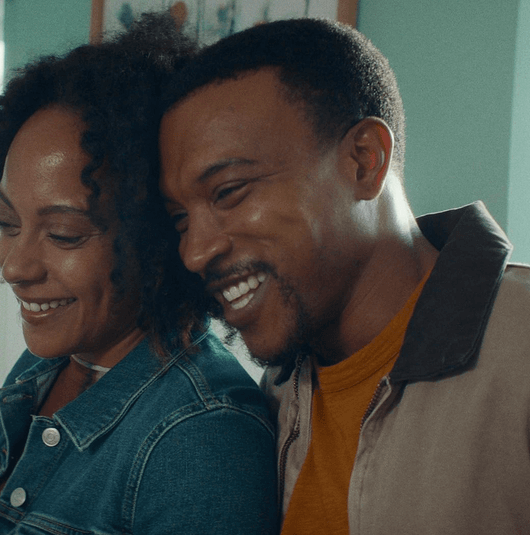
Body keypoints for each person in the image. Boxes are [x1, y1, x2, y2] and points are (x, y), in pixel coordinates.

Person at [158, 17, 530, 534]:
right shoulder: (272, 394)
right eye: (181, 219)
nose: (195, 253)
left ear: (364, 161)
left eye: (229, 191)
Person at [0, 15, 278, 535]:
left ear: (156, 236)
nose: (13, 266)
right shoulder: (39, 371)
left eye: (65, 235)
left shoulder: (204, 436)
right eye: (7, 223)